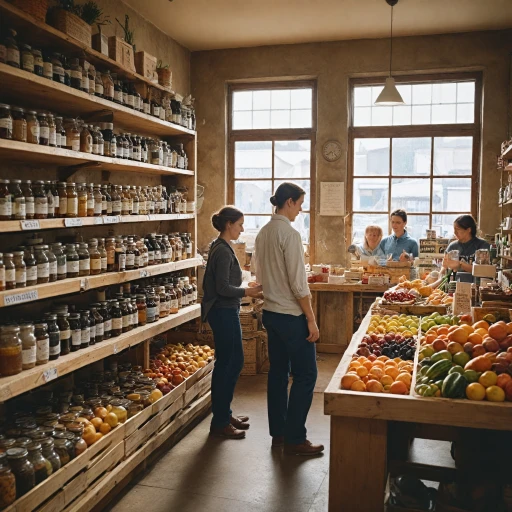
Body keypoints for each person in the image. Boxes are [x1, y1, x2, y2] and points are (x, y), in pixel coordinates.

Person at [253, 182, 323, 456]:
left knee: (278, 374)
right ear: (290, 202)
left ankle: (279, 433)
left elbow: (259, 275)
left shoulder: (263, 233)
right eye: (300, 203)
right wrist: (311, 319)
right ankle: (295, 438)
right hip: (292, 316)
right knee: (306, 374)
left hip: (270, 313)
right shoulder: (290, 234)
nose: (301, 209)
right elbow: (298, 283)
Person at [202, 206, 263, 439]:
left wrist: (247, 290)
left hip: (226, 310)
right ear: (229, 225)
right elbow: (222, 288)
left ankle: (224, 414)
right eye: (239, 224)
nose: (242, 229)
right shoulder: (222, 251)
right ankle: (219, 422)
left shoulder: (223, 247)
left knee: (231, 362)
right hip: (222, 311)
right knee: (229, 363)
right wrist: (248, 292)